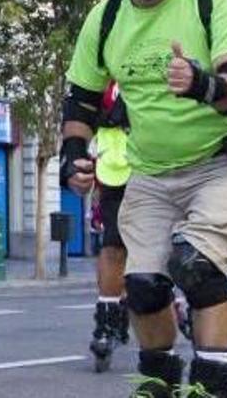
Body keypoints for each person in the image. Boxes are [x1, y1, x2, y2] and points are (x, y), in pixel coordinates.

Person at [60, 0, 227, 395]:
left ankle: (213, 381)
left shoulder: (213, 0)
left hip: (221, 164)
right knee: (142, 287)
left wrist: (204, 85)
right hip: (151, 174)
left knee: (196, 265)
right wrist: (72, 155)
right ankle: (157, 380)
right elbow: (79, 99)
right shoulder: (105, 20)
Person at [88, 82, 131, 372]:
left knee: (170, 249)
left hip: (163, 165)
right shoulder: (102, 63)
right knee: (113, 244)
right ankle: (107, 319)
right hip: (115, 169)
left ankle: (176, 303)